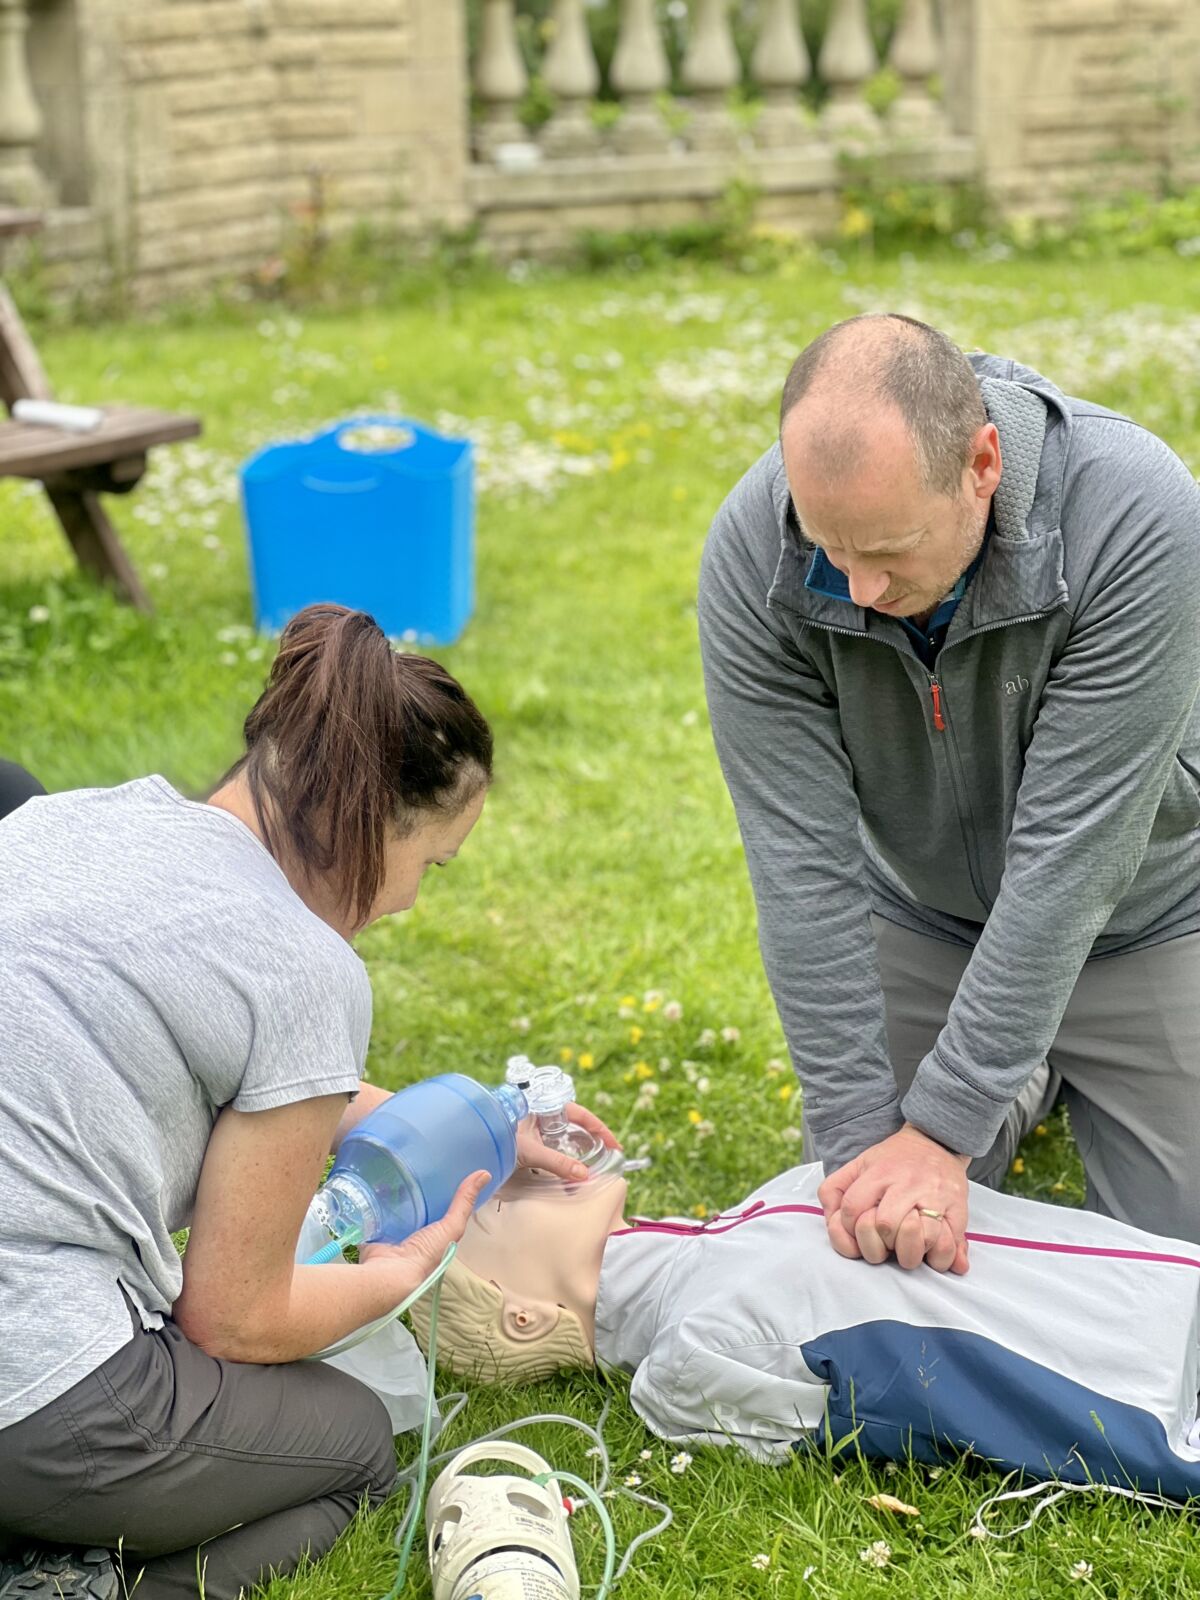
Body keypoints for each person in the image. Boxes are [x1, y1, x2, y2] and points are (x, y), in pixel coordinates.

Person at [0, 603, 615, 1600]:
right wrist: (398, 1273)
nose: (412, 898)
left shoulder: (80, 820)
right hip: (34, 1392)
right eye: (431, 865)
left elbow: (240, 1064)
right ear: (372, 823)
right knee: (354, 1448)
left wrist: (482, 1129)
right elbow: (234, 1319)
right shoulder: (301, 964)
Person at [697, 313, 1200, 1278]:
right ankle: (1022, 1065)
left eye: (889, 548)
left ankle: (1020, 1065)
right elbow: (800, 861)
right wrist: (857, 1147)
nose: (857, 585)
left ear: (982, 465)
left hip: (1148, 918)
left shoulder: (1135, 513)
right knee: (865, 1252)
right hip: (929, 919)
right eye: (829, 546)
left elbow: (1073, 857)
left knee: (1174, 1277)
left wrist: (941, 1124)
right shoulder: (754, 549)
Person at [412, 1156, 1200, 1499]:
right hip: (1148, 1381)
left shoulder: (733, 1234)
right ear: (522, 1317)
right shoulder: (685, 1358)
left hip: (1162, 1276)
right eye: (493, 1212)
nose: (511, 1183)